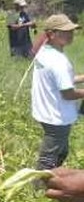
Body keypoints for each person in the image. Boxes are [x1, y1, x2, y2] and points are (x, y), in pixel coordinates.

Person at [31, 14, 84, 171]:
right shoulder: (58, 61)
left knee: (61, 151)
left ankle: (52, 179)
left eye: (71, 31)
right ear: (51, 34)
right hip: (57, 116)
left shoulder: (44, 53)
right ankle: (38, 190)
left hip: (45, 110)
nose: (70, 34)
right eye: (65, 31)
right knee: (49, 159)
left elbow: (59, 80)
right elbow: (67, 93)